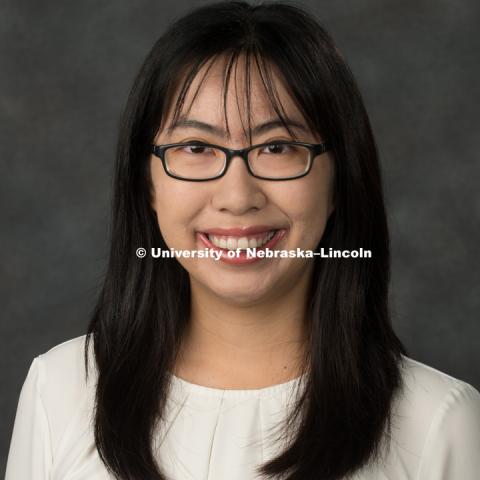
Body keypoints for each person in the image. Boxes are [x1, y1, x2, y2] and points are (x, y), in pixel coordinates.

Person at [5, 1, 480, 479]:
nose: (237, 196)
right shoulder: (60, 391)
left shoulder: (439, 424)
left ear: (339, 181)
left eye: (277, 147)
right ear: (146, 184)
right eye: (196, 148)